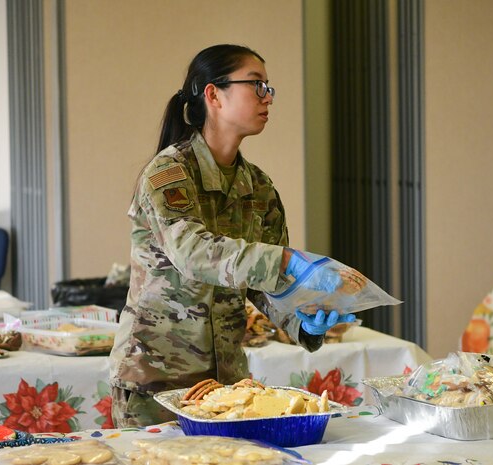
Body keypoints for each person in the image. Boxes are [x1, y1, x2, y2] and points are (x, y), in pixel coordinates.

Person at [109, 44, 359, 427]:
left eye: (268, 87)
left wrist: (301, 321)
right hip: (154, 380)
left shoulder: (259, 186)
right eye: (256, 85)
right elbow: (193, 254)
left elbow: (267, 285)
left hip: (224, 383)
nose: (267, 97)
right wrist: (288, 260)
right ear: (213, 94)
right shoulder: (168, 174)